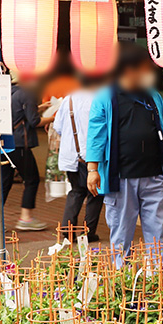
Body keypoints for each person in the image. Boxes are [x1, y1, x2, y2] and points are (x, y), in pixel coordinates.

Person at [86, 47, 163, 266]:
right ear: (128, 70)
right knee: (121, 230)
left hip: (154, 174)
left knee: (159, 228)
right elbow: (96, 135)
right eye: (143, 69)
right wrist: (93, 170)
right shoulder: (105, 97)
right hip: (121, 178)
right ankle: (123, 276)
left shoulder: (153, 96)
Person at [53, 75, 108, 242]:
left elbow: (58, 127)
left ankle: (67, 231)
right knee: (95, 194)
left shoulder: (69, 99)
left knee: (76, 192)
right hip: (92, 155)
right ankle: (88, 232)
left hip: (71, 156)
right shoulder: (99, 99)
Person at [1, 76, 48, 232]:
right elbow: (34, 121)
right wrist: (55, 116)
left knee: (3, 183)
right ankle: (26, 218)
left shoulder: (8, 91)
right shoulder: (26, 93)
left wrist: (39, 108)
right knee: (32, 179)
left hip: (3, 143)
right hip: (19, 144)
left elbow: (19, 113)